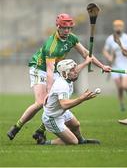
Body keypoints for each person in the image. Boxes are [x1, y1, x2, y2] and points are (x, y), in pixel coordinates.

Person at [7, 13, 111, 142]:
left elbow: (85, 53)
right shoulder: (52, 45)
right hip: (39, 69)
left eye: (69, 28)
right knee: (41, 102)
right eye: (64, 28)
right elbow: (49, 70)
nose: (67, 31)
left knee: (57, 101)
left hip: (55, 68)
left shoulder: (71, 38)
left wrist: (102, 66)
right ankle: (17, 126)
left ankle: (40, 131)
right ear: (58, 27)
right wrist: (49, 91)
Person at [41, 58, 100, 145]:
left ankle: (82, 141)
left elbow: (77, 69)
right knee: (73, 142)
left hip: (61, 111)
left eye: (74, 69)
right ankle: (45, 143)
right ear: (65, 73)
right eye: (72, 70)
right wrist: (82, 98)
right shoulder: (62, 85)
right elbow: (64, 105)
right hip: (52, 117)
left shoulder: (68, 77)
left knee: (75, 125)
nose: (75, 71)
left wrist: (86, 62)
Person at [103, 20, 127, 111]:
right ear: (114, 27)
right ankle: (121, 103)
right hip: (114, 66)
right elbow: (105, 50)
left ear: (122, 27)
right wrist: (109, 57)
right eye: (116, 26)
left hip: (125, 65)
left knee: (124, 86)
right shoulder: (110, 38)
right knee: (119, 87)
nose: (118, 28)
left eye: (119, 26)